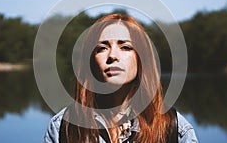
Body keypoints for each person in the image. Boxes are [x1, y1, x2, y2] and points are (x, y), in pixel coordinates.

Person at [44, 13, 198, 143]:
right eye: (102, 48)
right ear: (91, 62)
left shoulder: (174, 128)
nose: (112, 55)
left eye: (125, 47)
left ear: (141, 59)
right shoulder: (63, 127)